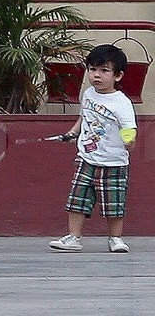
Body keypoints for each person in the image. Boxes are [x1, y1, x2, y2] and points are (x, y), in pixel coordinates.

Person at [49, 44, 136, 253]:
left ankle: (115, 239)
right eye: (92, 69)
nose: (96, 75)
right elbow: (83, 117)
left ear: (118, 75)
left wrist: (128, 141)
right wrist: (72, 132)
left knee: (114, 204)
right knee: (77, 199)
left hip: (113, 162)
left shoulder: (121, 102)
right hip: (86, 158)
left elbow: (129, 127)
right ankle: (73, 238)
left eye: (104, 70)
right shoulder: (88, 94)